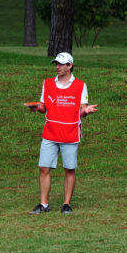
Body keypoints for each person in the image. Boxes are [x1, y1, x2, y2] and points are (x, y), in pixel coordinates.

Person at [28, 52, 98, 215]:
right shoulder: (48, 83)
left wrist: (86, 111)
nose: (57, 67)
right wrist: (37, 108)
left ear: (70, 66)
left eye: (61, 64)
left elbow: (81, 111)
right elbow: (44, 107)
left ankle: (66, 204)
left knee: (69, 169)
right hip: (50, 133)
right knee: (44, 168)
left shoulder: (81, 85)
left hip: (70, 133)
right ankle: (44, 204)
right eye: (56, 64)